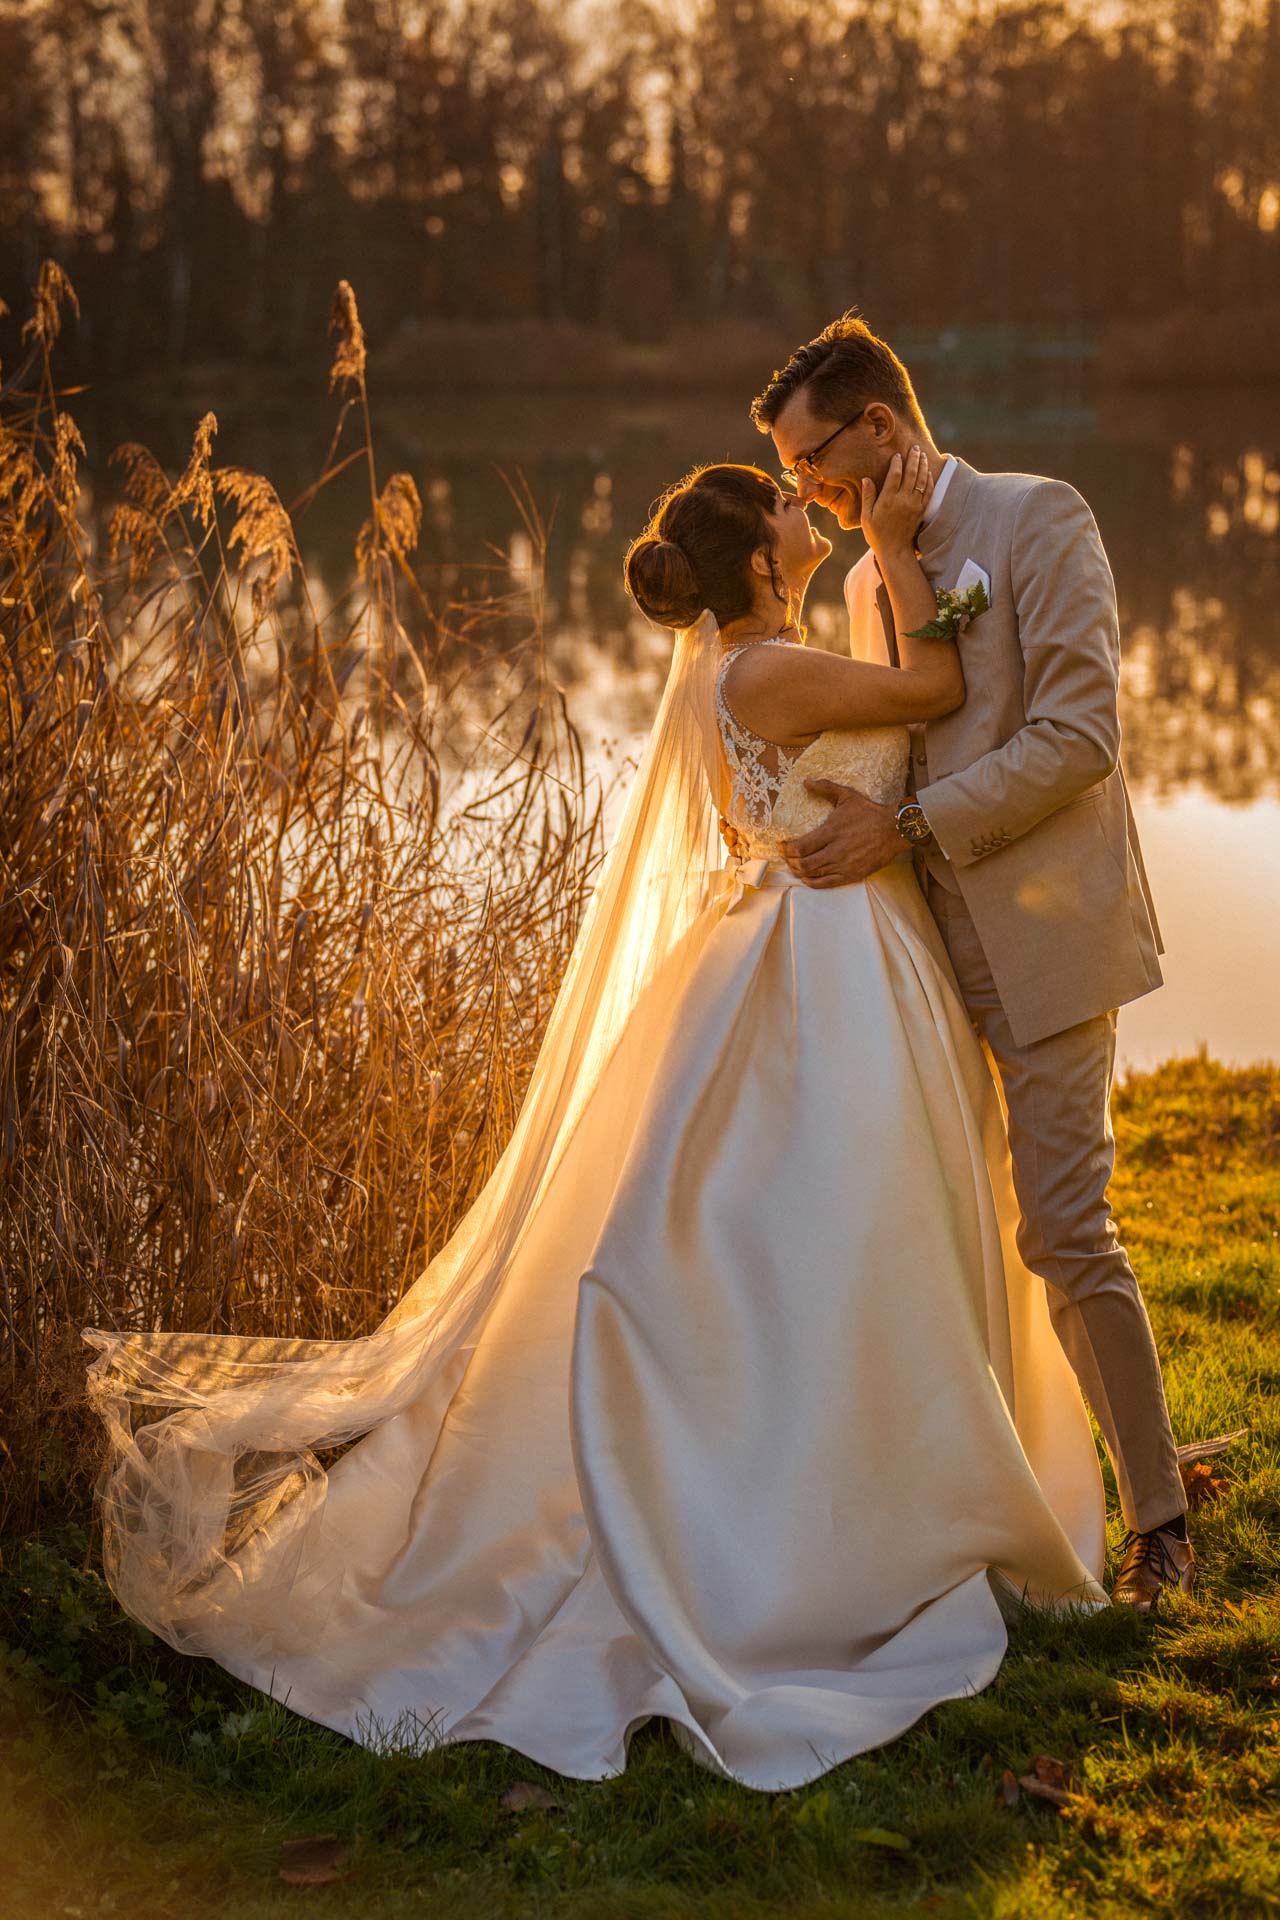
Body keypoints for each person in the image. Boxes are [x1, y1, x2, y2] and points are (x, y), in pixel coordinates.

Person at [85, 455, 1113, 1797]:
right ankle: (811, 1520)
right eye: (796, 511)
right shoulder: (762, 669)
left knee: (836, 1238)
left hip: (835, 943)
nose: (816, 518)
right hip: (816, 958)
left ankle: (858, 1472)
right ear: (758, 562)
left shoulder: (761, 661)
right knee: (804, 1231)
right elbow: (933, 690)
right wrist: (909, 547)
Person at [749, 312, 1192, 1612]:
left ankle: (1159, 1519)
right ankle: (989, 1509)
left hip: (1049, 935)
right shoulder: (861, 583)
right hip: (916, 963)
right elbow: (880, 747)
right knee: (945, 1236)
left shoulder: (1037, 520)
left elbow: (1079, 736)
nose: (807, 496)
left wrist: (915, 826)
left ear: (881, 428)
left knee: (1064, 1229)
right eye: (791, 481)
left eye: (814, 465)